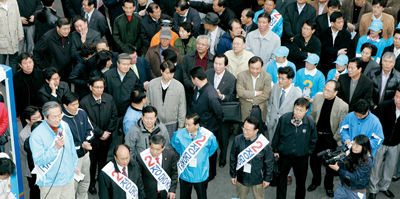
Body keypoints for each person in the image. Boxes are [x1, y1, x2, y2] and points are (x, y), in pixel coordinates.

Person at [29, 101, 80, 199]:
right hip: (50, 182)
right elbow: (39, 160)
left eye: (59, 115)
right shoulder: (37, 135)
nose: (58, 119)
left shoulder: (64, 125)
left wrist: (74, 165)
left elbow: (71, 148)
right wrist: (55, 148)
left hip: (68, 178)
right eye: (54, 117)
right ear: (45, 117)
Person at [308, 80, 349, 197]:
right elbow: (312, 115)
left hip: (330, 138)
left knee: (330, 164)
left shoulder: (343, 106)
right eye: (324, 88)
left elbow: (342, 125)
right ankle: (315, 181)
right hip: (316, 135)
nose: (325, 91)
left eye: (328, 90)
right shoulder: (317, 98)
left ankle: (328, 186)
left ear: (336, 92)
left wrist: (335, 139)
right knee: (314, 161)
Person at [271, 97, 318, 199]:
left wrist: (307, 152)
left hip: (301, 158)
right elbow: (277, 136)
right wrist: (275, 150)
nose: (297, 112)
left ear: (306, 110)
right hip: (284, 156)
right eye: (296, 109)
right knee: (281, 181)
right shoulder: (284, 119)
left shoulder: (310, 123)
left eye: (301, 110)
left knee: (301, 183)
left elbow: (314, 140)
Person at [80, 76, 118, 195]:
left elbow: (114, 116)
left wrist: (107, 132)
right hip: (92, 140)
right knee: (91, 163)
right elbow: (87, 121)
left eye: (101, 87)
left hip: (106, 138)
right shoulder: (84, 102)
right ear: (90, 87)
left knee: (103, 162)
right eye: (96, 87)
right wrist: (101, 133)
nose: (99, 90)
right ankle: (91, 184)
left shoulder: (109, 98)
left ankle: (102, 183)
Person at [171, 112, 218, 199]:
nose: (186, 127)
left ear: (197, 125)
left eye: (189, 125)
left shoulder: (208, 136)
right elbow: (175, 145)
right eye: (185, 124)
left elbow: (212, 149)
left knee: (202, 196)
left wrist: (202, 157)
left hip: (200, 175)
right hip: (185, 174)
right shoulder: (179, 134)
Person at [191, 65, 224, 178]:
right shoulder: (198, 88)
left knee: (210, 152)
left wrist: (212, 124)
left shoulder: (211, 94)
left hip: (209, 128)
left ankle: (211, 173)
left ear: (195, 79)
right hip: (200, 127)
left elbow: (219, 113)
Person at [230, 116, 274, 199]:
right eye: (244, 128)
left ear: (256, 131)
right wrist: (233, 174)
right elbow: (233, 158)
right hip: (242, 177)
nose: (244, 132)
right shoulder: (237, 139)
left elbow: (269, 162)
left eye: (248, 130)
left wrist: (267, 178)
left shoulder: (263, 143)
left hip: (258, 178)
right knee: (240, 197)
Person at [61, 92, 94, 199]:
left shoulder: (82, 113)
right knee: (72, 186)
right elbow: (64, 144)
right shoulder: (61, 120)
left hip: (85, 156)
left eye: (77, 103)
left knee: (85, 183)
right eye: (73, 105)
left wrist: (86, 142)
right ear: (65, 105)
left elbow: (90, 130)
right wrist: (81, 146)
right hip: (72, 160)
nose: (76, 107)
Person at [369, 87, 400, 199]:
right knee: (376, 167)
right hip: (380, 142)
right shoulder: (384, 106)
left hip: (395, 144)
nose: (397, 100)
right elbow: (374, 124)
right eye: (396, 96)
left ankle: (384, 187)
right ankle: (373, 189)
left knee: (390, 167)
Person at [206, 54, 236, 167]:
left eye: (220, 64)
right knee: (209, 137)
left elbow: (232, 97)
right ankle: (209, 158)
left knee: (223, 139)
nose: (217, 66)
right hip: (209, 112)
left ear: (225, 65)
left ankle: (223, 158)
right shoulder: (208, 73)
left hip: (223, 112)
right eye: (215, 63)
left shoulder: (231, 78)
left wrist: (221, 96)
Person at [147, 61, 186, 138]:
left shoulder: (179, 86)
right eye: (167, 73)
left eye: (172, 73)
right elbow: (148, 103)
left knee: (170, 147)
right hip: (155, 121)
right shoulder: (152, 84)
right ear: (161, 71)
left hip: (172, 123)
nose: (169, 76)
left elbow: (182, 107)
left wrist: (181, 125)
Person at [329, 135, 373, 199]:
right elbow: (344, 165)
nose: (353, 147)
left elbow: (355, 177)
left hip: (356, 191)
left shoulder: (367, 161)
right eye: (353, 144)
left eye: (357, 146)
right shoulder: (351, 152)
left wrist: (338, 170)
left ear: (364, 147)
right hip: (343, 186)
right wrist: (334, 161)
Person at [266, 67, 302, 140]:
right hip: (271, 125)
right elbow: (270, 105)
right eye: (279, 77)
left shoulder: (297, 94)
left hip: (286, 127)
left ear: (290, 80)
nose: (280, 80)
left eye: (283, 79)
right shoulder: (275, 87)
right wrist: (268, 121)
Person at [137, 135, 178, 199]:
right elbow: (138, 177)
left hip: (165, 193)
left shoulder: (170, 155)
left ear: (163, 148)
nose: (154, 152)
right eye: (152, 148)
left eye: (158, 149)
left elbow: (174, 174)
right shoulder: (142, 157)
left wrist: (172, 190)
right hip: (149, 194)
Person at [182, 35, 215, 110]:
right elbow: (184, 73)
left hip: (206, 92)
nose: (200, 46)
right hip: (190, 92)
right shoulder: (188, 57)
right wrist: (192, 86)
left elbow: (213, 76)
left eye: (203, 44)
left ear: (208, 47)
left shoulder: (212, 59)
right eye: (198, 43)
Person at [237, 56, 272, 123]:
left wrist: (252, 99)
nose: (254, 71)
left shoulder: (267, 76)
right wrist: (256, 93)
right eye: (252, 68)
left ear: (261, 67)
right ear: (248, 66)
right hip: (245, 108)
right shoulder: (241, 75)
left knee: (259, 130)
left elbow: (266, 95)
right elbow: (240, 92)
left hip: (260, 108)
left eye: (257, 68)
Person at [103, 53, 139, 117]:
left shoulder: (132, 76)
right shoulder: (108, 75)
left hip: (126, 111)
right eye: (124, 64)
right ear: (118, 64)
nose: (126, 67)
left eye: (128, 64)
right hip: (110, 110)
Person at [13, 53, 45, 126]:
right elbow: (15, 97)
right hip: (25, 112)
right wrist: (17, 113)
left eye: (30, 62)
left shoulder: (41, 74)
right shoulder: (15, 78)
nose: (28, 65)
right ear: (20, 65)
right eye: (25, 63)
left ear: (33, 62)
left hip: (40, 110)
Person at [19, 106, 42, 199]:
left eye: (40, 116)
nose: (39, 119)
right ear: (28, 121)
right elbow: (26, 152)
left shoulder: (47, 125)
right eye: (35, 118)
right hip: (32, 168)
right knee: (35, 191)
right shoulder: (24, 135)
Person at [319, 11, 352, 76]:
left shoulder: (346, 34)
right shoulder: (324, 33)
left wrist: (331, 51)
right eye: (339, 22)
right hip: (325, 63)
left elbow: (343, 50)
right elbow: (324, 49)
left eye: (342, 22)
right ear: (332, 23)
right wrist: (337, 52)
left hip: (339, 65)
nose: (341, 24)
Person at [0, 0, 23, 75]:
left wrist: (20, 34)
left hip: (13, 39)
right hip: (1, 40)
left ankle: (13, 80)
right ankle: (3, 80)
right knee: (1, 63)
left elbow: (18, 18)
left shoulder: (13, 2)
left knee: (14, 60)